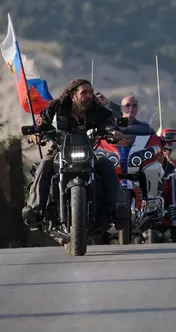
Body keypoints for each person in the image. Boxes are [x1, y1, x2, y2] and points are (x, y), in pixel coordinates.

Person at [22, 78, 131, 228]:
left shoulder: (98, 109)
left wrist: (114, 133)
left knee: (106, 164)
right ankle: (35, 209)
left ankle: (117, 208)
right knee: (45, 164)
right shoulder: (57, 107)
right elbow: (39, 125)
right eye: (84, 92)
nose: (89, 96)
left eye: (90, 92)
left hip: (88, 151)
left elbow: (110, 124)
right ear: (73, 95)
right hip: (60, 150)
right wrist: (35, 135)